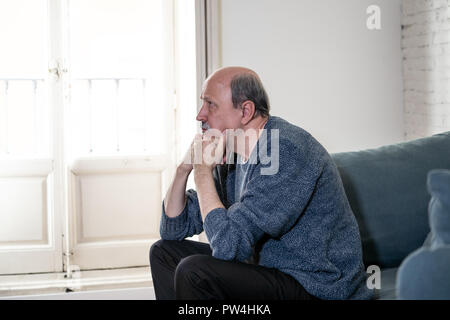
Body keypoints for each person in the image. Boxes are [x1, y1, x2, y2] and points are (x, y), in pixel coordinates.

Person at [149, 66, 373, 300]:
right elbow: (172, 230)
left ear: (245, 111)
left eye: (210, 104)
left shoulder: (285, 150)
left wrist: (202, 173)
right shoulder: (231, 156)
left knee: (195, 271)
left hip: (317, 287)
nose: (200, 115)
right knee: (164, 253)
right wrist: (183, 169)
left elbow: (228, 247)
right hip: (269, 274)